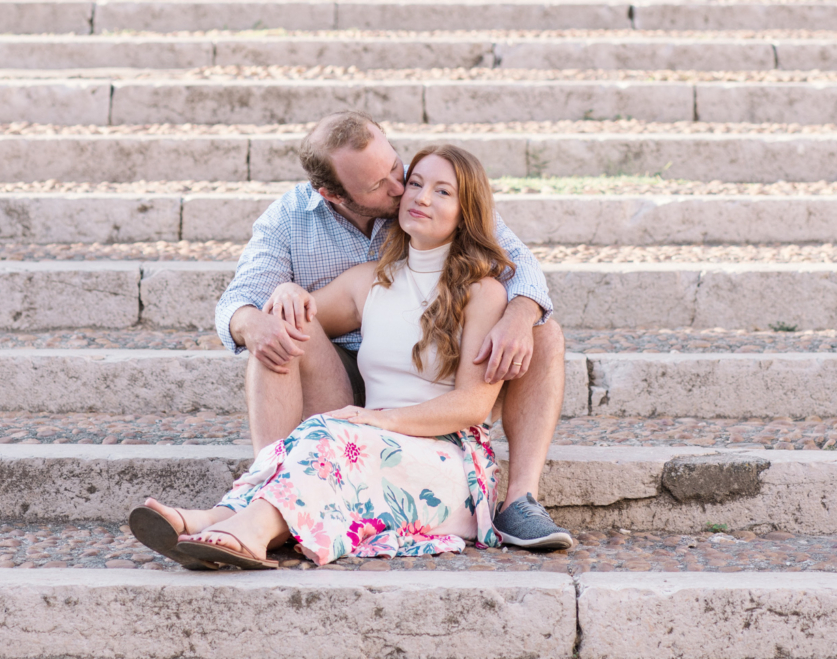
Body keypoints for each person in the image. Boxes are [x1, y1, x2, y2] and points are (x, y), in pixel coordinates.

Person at [130, 143, 567, 568]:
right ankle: (222, 522)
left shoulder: (484, 292)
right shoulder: (367, 281)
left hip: (442, 459)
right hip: (366, 445)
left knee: (333, 435)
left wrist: (378, 420)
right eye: (415, 183)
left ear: (466, 211)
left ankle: (241, 529)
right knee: (297, 358)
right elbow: (299, 315)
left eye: (443, 191)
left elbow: (473, 405)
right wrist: (286, 292)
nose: (420, 197)